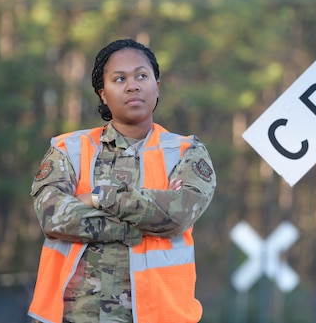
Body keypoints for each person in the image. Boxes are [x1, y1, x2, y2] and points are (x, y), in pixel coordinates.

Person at [28, 38, 216, 323]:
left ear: (157, 85)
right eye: (120, 79)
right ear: (103, 93)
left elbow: (179, 214)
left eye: (142, 75)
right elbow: (53, 216)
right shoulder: (69, 149)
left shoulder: (185, 152)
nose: (133, 85)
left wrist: (99, 197)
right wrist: (136, 226)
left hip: (161, 316)